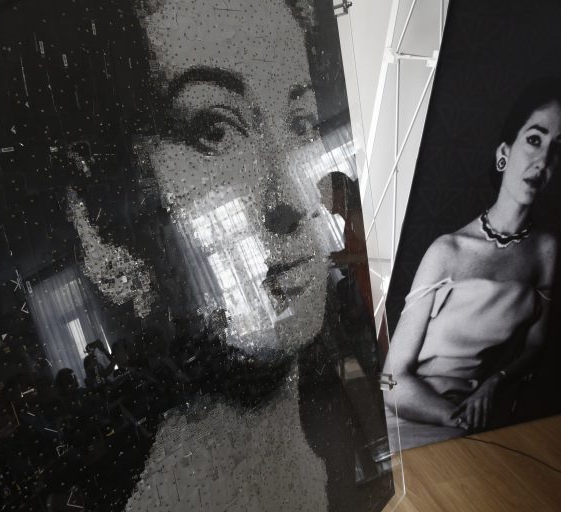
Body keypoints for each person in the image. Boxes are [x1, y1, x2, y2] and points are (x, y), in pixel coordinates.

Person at [56, 1, 391, 511]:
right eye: (214, 130)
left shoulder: (323, 461)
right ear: (99, 217)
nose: (292, 200)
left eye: (300, 123)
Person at [383, 77, 561, 449]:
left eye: (557, 148)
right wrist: (455, 419)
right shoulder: (447, 251)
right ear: (504, 153)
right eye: (534, 140)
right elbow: (389, 382)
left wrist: (495, 383)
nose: (543, 161)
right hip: (417, 414)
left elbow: (535, 345)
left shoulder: (545, 250)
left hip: (482, 417)